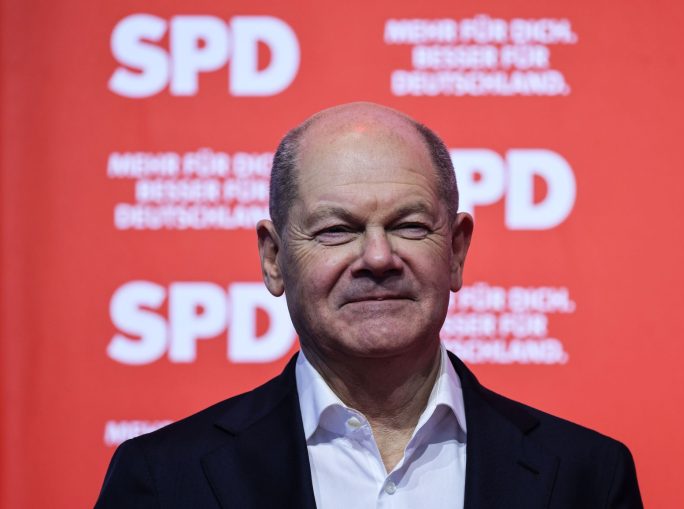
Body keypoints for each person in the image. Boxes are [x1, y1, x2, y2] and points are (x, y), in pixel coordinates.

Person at [94, 102, 643, 508]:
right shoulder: (164, 479)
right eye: (337, 230)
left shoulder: (586, 477)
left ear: (454, 251)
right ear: (274, 259)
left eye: (408, 226)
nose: (378, 258)